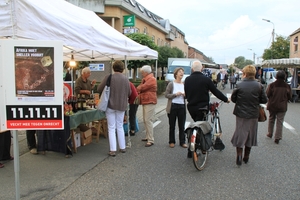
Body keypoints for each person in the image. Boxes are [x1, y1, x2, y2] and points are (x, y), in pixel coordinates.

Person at [184, 60, 229, 158]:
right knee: (202, 127)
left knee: (196, 124)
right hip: (203, 108)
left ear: (192, 69)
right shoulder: (206, 79)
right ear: (202, 69)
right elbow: (216, 92)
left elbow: (186, 94)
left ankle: (192, 147)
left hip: (191, 107)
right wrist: (225, 99)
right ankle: (202, 147)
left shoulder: (187, 79)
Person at [231, 65, 268, 166]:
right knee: (251, 134)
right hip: (253, 113)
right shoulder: (259, 85)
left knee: (240, 132)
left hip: (240, 113)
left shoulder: (239, 84)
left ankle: (239, 154)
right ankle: (246, 156)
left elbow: (234, 99)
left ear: (245, 74)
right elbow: (264, 100)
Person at [97, 60, 131, 156]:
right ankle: (122, 147)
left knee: (111, 127)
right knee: (119, 125)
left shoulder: (109, 77)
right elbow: (129, 93)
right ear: (122, 69)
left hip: (110, 105)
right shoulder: (125, 79)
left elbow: (99, 88)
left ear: (113, 68)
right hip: (121, 105)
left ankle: (113, 150)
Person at [266, 70, 292, 144]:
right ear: (284, 77)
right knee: (280, 121)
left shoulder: (272, 85)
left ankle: (270, 133)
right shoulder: (287, 86)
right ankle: (277, 137)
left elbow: (267, 94)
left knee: (271, 119)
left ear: (276, 76)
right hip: (282, 106)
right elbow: (290, 96)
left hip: (272, 104)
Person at [165, 67, 187, 148]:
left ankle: (182, 142)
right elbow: (166, 95)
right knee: (172, 125)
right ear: (176, 74)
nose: (182, 73)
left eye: (182, 72)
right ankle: (171, 141)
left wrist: (185, 95)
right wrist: (175, 94)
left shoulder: (184, 84)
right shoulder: (171, 84)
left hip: (182, 106)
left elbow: (187, 96)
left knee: (182, 126)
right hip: (173, 106)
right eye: (180, 72)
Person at [137, 65, 157, 147]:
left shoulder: (151, 79)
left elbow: (142, 87)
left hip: (150, 101)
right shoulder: (146, 79)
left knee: (148, 120)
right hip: (146, 100)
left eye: (142, 72)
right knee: (146, 120)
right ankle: (148, 136)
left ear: (146, 72)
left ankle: (151, 139)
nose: (142, 74)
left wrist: (138, 88)